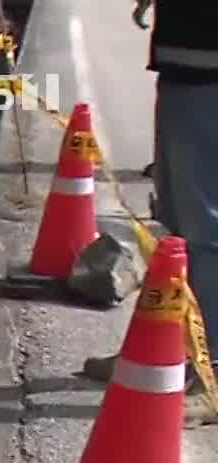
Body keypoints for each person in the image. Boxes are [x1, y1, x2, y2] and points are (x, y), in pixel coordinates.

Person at [136, 0, 217, 395]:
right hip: (185, 67)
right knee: (175, 222)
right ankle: (166, 353)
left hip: (207, 74)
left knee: (203, 229)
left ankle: (208, 368)